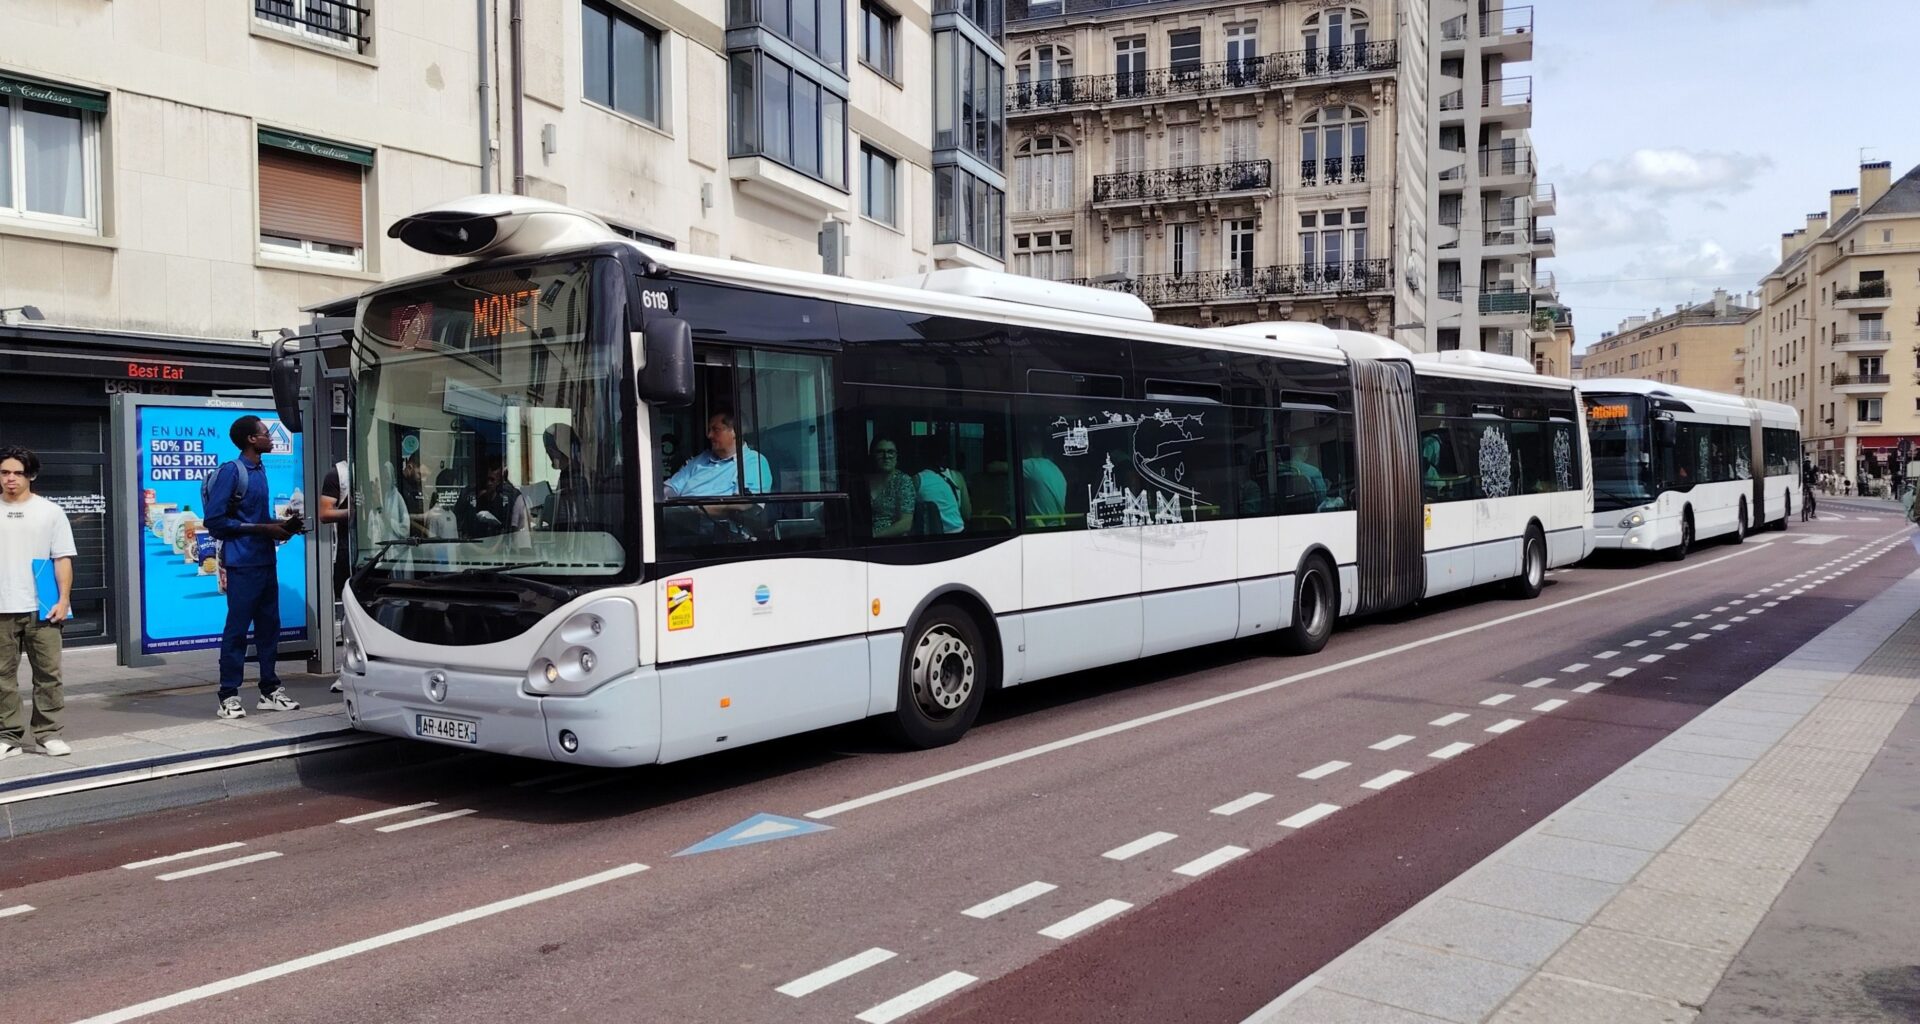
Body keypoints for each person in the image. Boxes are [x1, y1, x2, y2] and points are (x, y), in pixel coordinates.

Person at [204, 416, 303, 720]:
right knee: (236, 630)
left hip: (264, 562)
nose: (270, 437)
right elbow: (215, 522)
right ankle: (228, 696)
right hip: (242, 564)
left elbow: (257, 518)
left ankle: (270, 691)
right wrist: (264, 529)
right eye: (265, 433)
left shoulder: (260, 470)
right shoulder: (233, 472)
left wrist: (285, 526)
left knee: (269, 628)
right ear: (251, 439)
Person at [0, 447, 75, 758]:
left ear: (30, 475)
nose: (11, 479)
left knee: (48, 674)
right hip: (2, 607)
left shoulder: (50, 511)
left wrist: (63, 599)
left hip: (42, 606)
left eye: (18, 472)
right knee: (2, 676)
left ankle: (48, 733)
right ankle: (9, 735)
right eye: (5, 472)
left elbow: (62, 558)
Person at [663, 410, 772, 499]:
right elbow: (671, 488)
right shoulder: (700, 459)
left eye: (716, 430)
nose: (709, 435)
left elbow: (744, 506)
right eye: (709, 430)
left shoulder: (753, 462)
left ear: (736, 432)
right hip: (680, 520)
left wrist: (693, 509)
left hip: (716, 524)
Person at [453, 455, 527, 539]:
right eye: (485, 479)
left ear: (499, 481)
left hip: (498, 544)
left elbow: (512, 529)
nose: (488, 483)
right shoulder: (467, 494)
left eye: (492, 480)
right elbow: (457, 523)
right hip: (472, 544)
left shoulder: (510, 496)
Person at [914, 438, 971, 535]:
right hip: (959, 533)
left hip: (933, 537)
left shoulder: (916, 480)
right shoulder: (956, 476)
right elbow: (967, 514)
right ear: (945, 456)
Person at [864, 437, 918, 538]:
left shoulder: (903, 481)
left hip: (891, 543)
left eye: (891, 452)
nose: (886, 456)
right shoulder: (864, 480)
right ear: (873, 455)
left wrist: (874, 536)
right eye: (880, 452)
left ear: (897, 456)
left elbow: (906, 523)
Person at [1020, 434, 1067, 526]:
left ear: (1030, 446)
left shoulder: (1032, 466)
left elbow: (995, 467)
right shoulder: (1056, 469)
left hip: (1041, 526)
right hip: (1060, 525)